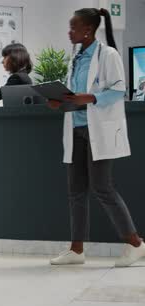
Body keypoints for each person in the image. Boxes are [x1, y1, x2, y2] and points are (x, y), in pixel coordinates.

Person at [48, 8, 144, 267]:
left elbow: (118, 90)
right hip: (76, 128)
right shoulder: (76, 57)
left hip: (98, 130)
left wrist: (89, 98)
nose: (70, 32)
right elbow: (75, 93)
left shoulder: (107, 54)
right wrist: (61, 101)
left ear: (88, 29)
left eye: (74, 27)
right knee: (76, 191)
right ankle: (76, 250)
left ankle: (136, 243)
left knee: (102, 187)